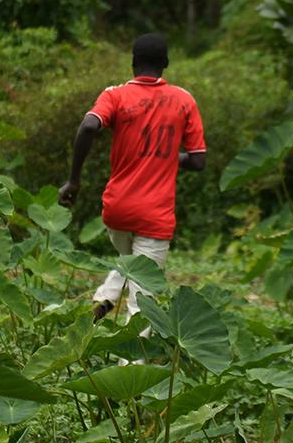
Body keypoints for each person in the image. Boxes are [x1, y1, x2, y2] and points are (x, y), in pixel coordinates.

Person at [58, 33, 206, 319]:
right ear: (166, 63)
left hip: (117, 211)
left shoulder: (115, 95)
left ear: (133, 63)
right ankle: (132, 347)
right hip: (155, 215)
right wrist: (167, 157)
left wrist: (74, 180)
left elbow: (88, 126)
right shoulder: (184, 100)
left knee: (131, 262)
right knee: (143, 303)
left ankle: (103, 300)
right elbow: (198, 161)